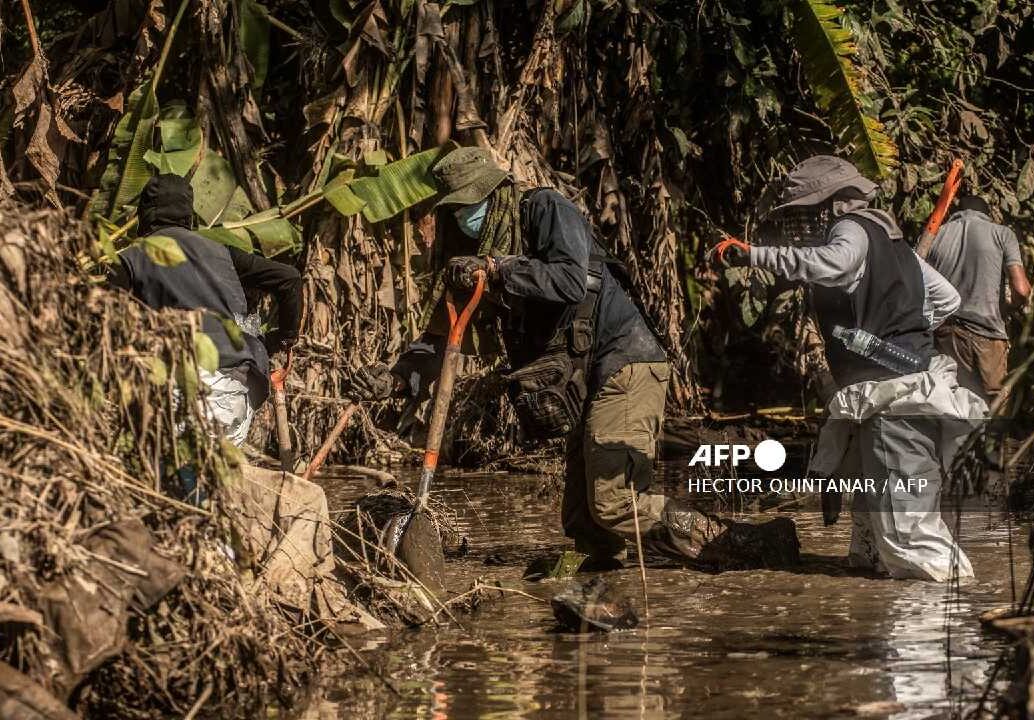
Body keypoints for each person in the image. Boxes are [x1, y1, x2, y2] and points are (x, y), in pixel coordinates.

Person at [348, 146, 798, 571]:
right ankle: (604, 587)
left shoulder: (543, 210)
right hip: (584, 381)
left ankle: (746, 546)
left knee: (615, 502)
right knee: (586, 525)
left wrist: (501, 269)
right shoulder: (474, 260)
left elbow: (569, 280)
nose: (465, 217)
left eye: (471, 205)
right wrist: (397, 378)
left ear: (495, 192)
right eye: (456, 210)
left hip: (624, 362)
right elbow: (442, 337)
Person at [715, 155, 985, 581]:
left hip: (894, 399)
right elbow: (947, 298)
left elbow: (834, 263)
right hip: (897, 390)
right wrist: (903, 333)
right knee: (870, 534)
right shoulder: (894, 244)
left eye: (804, 213)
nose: (800, 225)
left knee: (910, 539)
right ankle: (881, 610)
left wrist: (754, 255)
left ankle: (948, 615)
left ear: (832, 204)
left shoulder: (851, 229)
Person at [108, 174, 302, 446]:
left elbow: (105, 325)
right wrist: (283, 339)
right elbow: (289, 278)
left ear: (144, 213)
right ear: (188, 214)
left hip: (177, 392)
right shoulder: (222, 252)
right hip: (235, 393)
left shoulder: (130, 258)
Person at [925, 194, 1031, 405]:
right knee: (996, 405)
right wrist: (1006, 309)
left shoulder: (935, 236)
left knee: (956, 402)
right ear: (987, 214)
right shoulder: (1002, 233)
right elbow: (1022, 290)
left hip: (945, 335)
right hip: (987, 335)